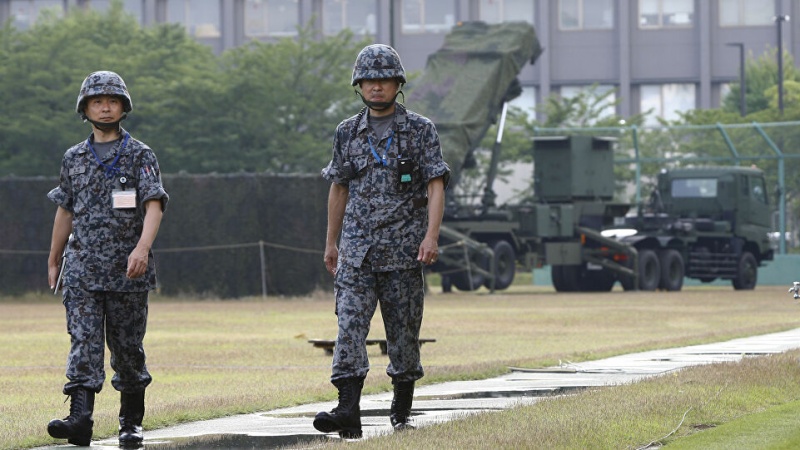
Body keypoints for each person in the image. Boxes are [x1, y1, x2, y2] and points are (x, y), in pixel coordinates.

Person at [314, 44, 450, 438]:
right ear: (359, 85)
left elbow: (436, 184)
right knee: (349, 327)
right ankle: (347, 409)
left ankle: (401, 408)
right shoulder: (347, 132)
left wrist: (431, 236)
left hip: (403, 251)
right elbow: (339, 187)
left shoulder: (420, 130)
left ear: (397, 84)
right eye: (369, 80)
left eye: (385, 79)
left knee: (403, 335)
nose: (377, 86)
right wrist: (331, 242)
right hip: (356, 252)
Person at [45, 71, 168, 447]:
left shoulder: (140, 154)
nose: (105, 107)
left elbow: (154, 205)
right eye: (97, 101)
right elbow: (65, 209)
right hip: (82, 267)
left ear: (123, 107)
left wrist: (142, 248)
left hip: (126, 270)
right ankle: (79, 419)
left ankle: (131, 422)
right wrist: (54, 258)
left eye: (112, 101)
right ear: (85, 109)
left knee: (127, 349)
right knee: (83, 341)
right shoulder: (74, 157)